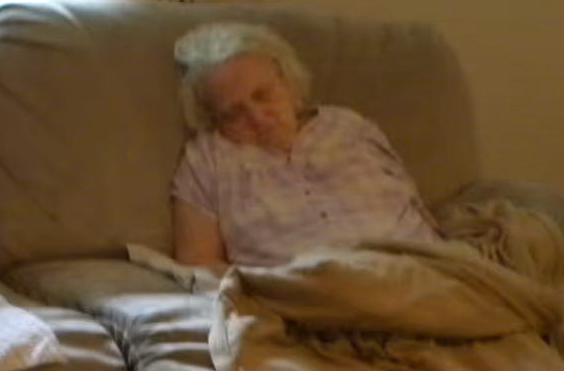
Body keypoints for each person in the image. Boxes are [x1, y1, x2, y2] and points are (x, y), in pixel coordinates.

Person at [170, 22, 440, 268]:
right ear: (212, 119)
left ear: (287, 81)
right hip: (309, 298)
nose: (258, 117)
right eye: (233, 114)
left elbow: (415, 209)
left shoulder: (349, 126)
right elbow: (198, 261)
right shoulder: (206, 158)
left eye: (263, 95)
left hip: (420, 275)